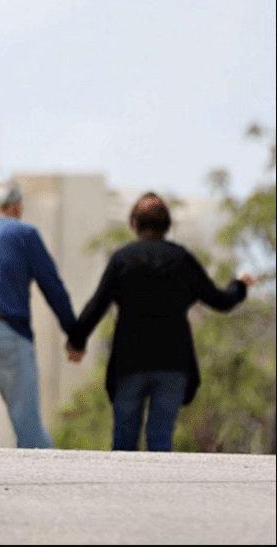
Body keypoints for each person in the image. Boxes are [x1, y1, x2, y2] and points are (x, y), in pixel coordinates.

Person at [66, 192, 254, 452]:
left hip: (129, 362)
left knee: (124, 441)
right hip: (173, 363)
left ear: (134, 223)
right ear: (167, 225)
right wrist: (239, 286)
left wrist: (76, 343)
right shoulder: (182, 259)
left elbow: (97, 305)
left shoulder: (122, 259)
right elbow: (220, 300)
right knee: (160, 439)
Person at [0, 180, 78, 448]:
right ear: (16, 208)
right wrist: (75, 335)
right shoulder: (23, 233)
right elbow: (52, 286)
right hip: (5, 334)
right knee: (30, 434)